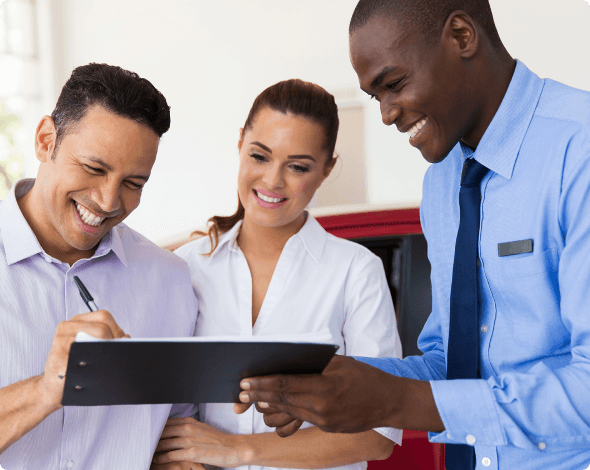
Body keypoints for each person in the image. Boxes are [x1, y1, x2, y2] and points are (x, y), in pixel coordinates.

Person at [235, 1, 590, 469]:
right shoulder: (443, 182)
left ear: (462, 36)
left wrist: (395, 401)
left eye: (394, 84)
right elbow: (453, 364)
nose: (385, 114)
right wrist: (333, 383)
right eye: (374, 95)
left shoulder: (578, 149)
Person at [151, 79, 402, 470]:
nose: (272, 181)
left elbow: (378, 432)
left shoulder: (356, 271)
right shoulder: (186, 268)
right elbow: (162, 409)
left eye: (298, 166)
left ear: (327, 169)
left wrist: (240, 449)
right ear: (240, 144)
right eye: (260, 156)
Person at [0, 63, 198, 469]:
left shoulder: (171, 282)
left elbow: (177, 439)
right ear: (45, 140)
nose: (109, 201)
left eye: (134, 183)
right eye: (94, 168)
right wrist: (44, 391)